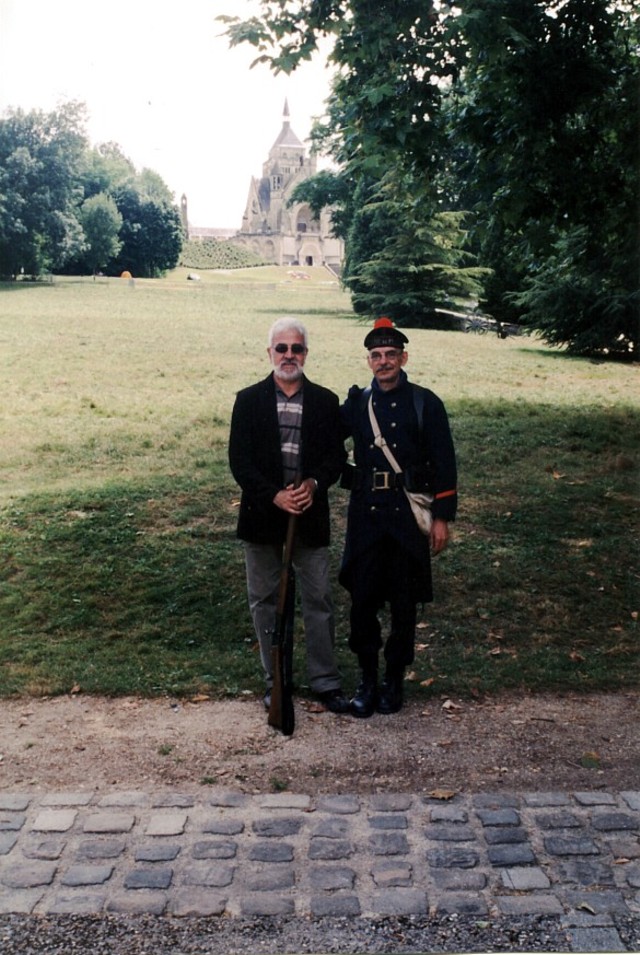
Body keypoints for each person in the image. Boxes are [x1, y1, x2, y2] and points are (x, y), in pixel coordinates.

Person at [229, 317, 350, 714]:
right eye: (281, 348)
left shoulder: (326, 401)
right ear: (269, 353)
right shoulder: (247, 400)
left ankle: (326, 682)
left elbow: (336, 458)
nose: (288, 355)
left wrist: (313, 485)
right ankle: (275, 680)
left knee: (318, 599)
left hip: (309, 516)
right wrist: (274, 496)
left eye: (296, 348)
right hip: (263, 515)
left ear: (306, 354)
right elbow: (240, 463)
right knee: (265, 601)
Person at [340, 317, 457, 717]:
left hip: (407, 519)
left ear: (403, 357)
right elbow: (324, 437)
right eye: (376, 355)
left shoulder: (426, 403)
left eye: (391, 354)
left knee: (404, 605)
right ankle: (367, 679)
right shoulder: (358, 404)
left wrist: (441, 519)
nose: (384, 361)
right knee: (362, 603)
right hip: (366, 519)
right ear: (369, 360)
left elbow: (445, 464)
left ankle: (393, 679)